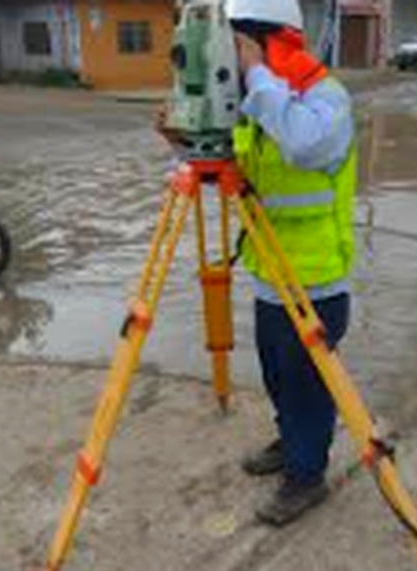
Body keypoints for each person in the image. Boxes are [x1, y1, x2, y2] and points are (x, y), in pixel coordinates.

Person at [158, 0, 358, 527]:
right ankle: (291, 442)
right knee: (278, 376)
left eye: (236, 45)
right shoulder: (258, 104)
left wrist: (255, 71)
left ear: (268, 42)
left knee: (308, 385)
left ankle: (307, 476)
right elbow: (230, 168)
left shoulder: (325, 98)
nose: (229, 58)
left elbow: (305, 147)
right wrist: (184, 136)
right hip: (270, 274)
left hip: (315, 280)